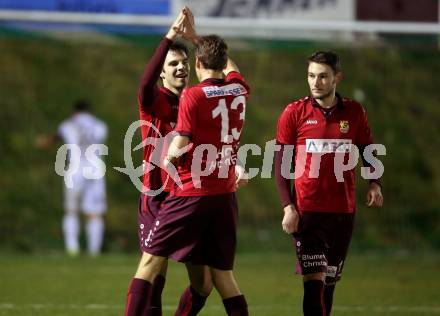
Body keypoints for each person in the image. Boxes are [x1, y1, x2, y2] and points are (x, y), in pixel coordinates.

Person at [124, 9, 247, 316]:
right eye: (172, 64)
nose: (179, 68)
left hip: (193, 195)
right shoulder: (155, 101)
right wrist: (171, 36)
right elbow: (145, 83)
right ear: (162, 73)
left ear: (195, 65)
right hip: (159, 196)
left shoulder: (198, 98)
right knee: (155, 271)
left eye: (183, 62)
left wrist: (232, 167)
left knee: (203, 284)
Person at [275, 51, 383, 316]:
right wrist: (288, 206)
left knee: (329, 286)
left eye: (323, 76)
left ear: (337, 78)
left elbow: (368, 150)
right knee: (314, 284)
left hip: (343, 213)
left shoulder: (355, 112)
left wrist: (374, 182)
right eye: (311, 76)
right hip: (308, 213)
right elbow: (280, 164)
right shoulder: (294, 112)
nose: (316, 82)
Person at [36, 99, 108, 256]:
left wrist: (44, 141)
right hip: (95, 167)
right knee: (95, 212)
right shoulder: (99, 125)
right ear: (89, 110)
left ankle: (72, 248)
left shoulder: (68, 124)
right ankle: (94, 251)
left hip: (76, 167)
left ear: (75, 111)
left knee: (71, 210)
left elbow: (57, 137)